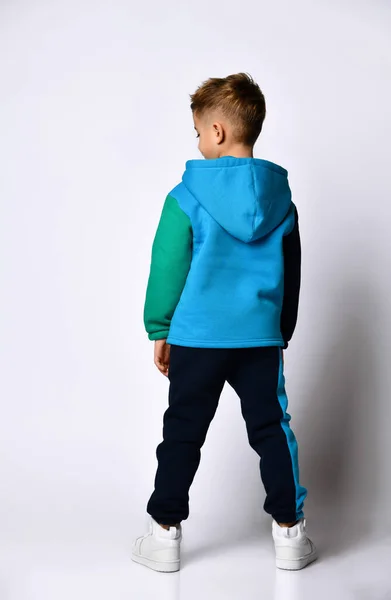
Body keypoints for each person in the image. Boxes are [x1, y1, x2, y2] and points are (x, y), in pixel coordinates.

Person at [132, 73, 317, 573]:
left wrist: (160, 328)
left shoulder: (185, 196)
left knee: (183, 433)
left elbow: (167, 266)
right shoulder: (284, 203)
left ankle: (164, 535)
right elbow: (291, 276)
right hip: (259, 338)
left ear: (215, 132)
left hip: (196, 338)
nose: (196, 141)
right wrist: (282, 330)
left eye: (196, 131)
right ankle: (289, 534)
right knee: (273, 430)